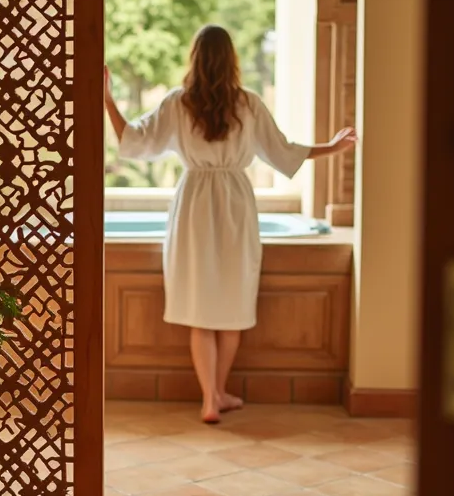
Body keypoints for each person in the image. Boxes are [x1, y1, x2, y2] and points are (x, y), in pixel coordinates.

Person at [104, 24, 357, 424]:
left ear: (196, 59)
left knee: (201, 309)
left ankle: (209, 398)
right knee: (232, 307)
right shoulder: (249, 104)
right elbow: (285, 152)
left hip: (194, 204)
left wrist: (106, 98)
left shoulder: (178, 103)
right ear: (231, 61)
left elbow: (134, 139)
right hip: (235, 204)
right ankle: (218, 394)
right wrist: (334, 146)